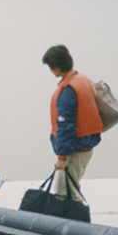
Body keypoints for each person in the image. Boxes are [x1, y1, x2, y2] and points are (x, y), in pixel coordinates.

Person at [42, 45, 103, 201]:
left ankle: (78, 222)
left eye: (50, 67)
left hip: (74, 152)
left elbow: (65, 127)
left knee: (69, 193)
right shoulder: (82, 79)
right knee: (71, 188)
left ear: (56, 67)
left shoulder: (67, 91)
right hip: (86, 147)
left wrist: (62, 158)